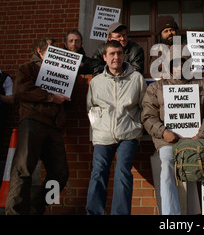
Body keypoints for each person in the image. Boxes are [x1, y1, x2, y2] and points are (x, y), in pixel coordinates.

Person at [141, 46, 204, 215]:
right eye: (175, 63)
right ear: (168, 65)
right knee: (166, 168)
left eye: (184, 62)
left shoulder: (203, 86)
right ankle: (170, 218)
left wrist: (201, 135)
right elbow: (148, 117)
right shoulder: (156, 88)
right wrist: (164, 132)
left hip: (198, 140)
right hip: (168, 142)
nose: (180, 67)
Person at [6, 37, 71, 215]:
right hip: (32, 122)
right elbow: (21, 91)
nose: (55, 55)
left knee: (60, 174)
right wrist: (50, 97)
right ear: (40, 52)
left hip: (54, 127)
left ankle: (37, 205)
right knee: (22, 170)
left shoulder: (60, 73)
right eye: (51, 51)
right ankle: (15, 212)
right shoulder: (28, 68)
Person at [86, 40, 147, 215]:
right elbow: (91, 107)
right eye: (112, 54)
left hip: (128, 134)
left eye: (119, 53)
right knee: (98, 173)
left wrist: (138, 126)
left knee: (122, 173)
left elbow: (144, 106)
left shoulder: (136, 78)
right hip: (103, 135)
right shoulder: (96, 82)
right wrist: (98, 126)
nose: (116, 57)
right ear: (104, 57)